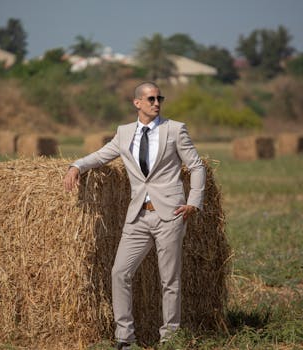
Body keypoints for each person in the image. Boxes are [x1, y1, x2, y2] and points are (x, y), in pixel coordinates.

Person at [64, 82, 206, 349]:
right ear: (137, 103)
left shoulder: (175, 130)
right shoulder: (124, 132)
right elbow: (101, 156)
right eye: (151, 99)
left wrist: (193, 202)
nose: (156, 103)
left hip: (170, 215)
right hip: (138, 216)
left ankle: (170, 337)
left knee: (169, 280)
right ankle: (124, 337)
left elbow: (197, 166)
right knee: (120, 272)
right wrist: (76, 166)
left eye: (159, 98)